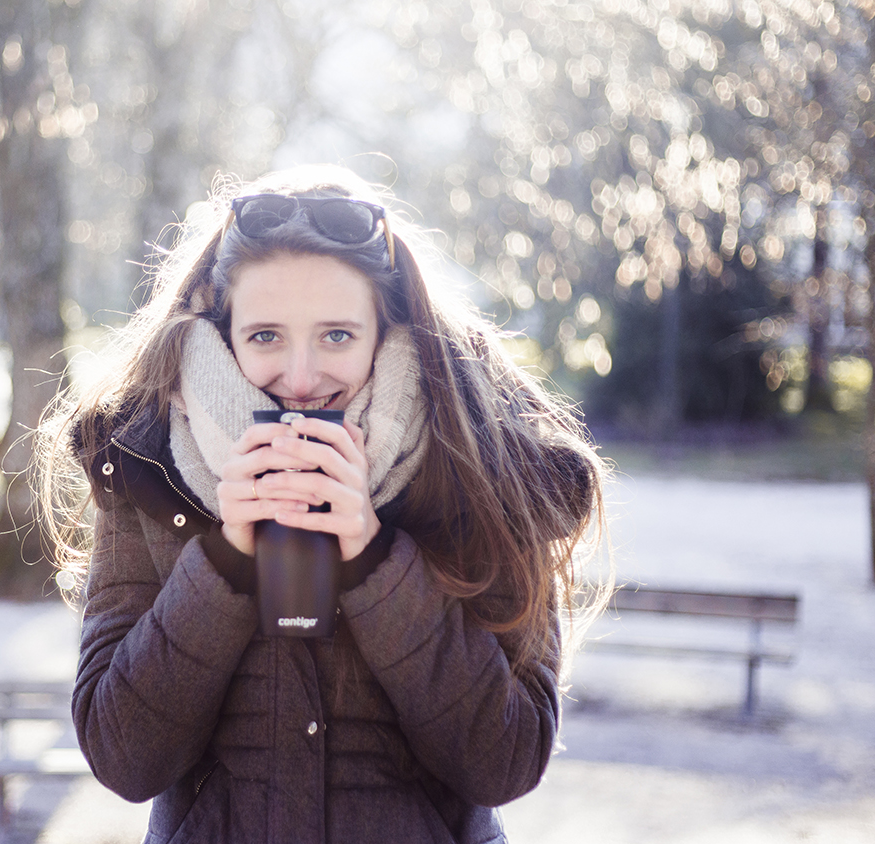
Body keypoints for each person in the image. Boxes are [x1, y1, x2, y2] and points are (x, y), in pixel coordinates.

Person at [35, 164, 607, 843]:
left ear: (388, 327)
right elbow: (123, 759)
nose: (301, 380)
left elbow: (507, 761)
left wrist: (373, 560)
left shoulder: (486, 464)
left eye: (337, 336)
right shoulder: (145, 462)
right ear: (223, 331)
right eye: (266, 337)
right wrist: (224, 559)